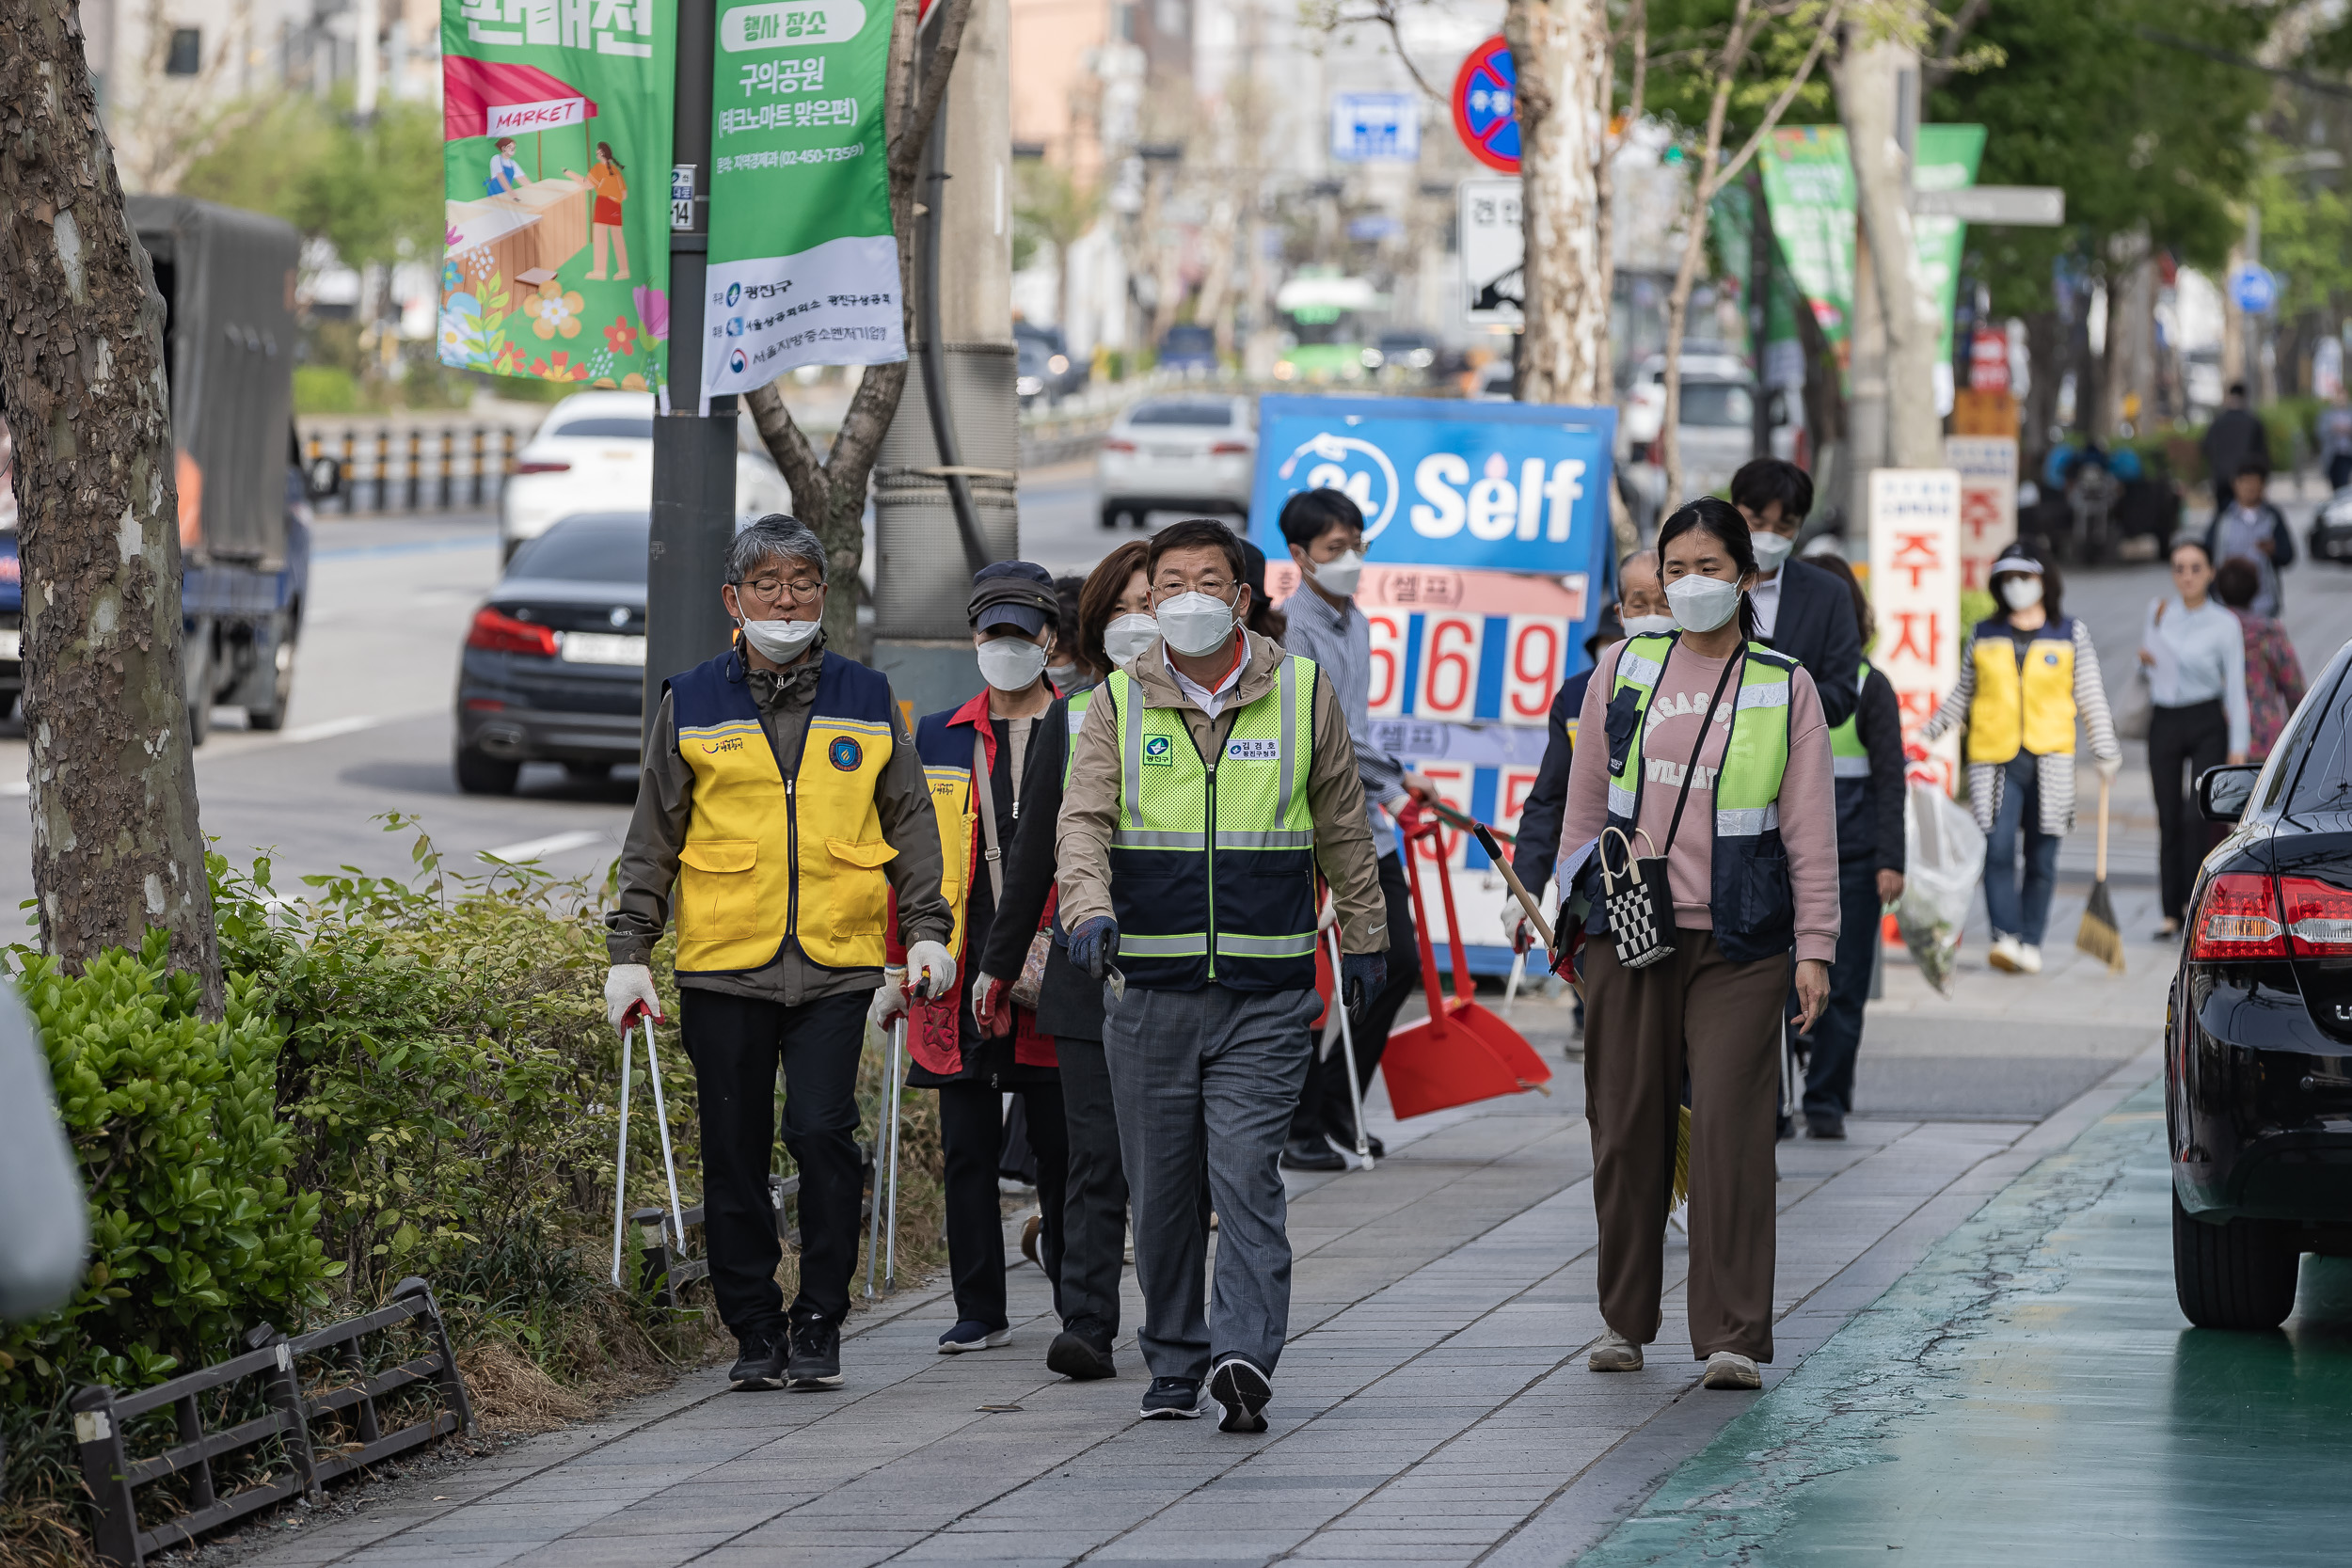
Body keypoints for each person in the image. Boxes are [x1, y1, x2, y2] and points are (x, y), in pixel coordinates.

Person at [604, 515, 954, 1393]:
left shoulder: (868, 695)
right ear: (735, 599)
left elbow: (911, 822)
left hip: (836, 963)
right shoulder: (691, 697)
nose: (786, 599)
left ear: (822, 594)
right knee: (733, 1149)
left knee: (820, 1134)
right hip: (726, 961)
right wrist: (629, 948)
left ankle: (821, 1318)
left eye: (802, 582)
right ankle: (754, 1327)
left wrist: (925, 931)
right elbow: (655, 831)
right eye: (767, 584)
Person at [1057, 517, 1388, 1433]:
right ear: (1151, 598)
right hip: (1148, 987)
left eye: (1211, 579)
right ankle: (1173, 1355)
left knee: (1246, 1173)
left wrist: (1364, 937)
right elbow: (1080, 820)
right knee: (1161, 1187)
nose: (1190, 596)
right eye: (1172, 583)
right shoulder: (1116, 703)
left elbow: (1342, 824)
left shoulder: (1302, 690)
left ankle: (1244, 1350)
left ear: (1243, 598)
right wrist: (1086, 907)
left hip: (1268, 987)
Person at [1559, 497, 1837, 1392]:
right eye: (1674, 569)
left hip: (1742, 937)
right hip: (1630, 934)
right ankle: (1623, 1320)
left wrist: (1815, 945)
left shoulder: (1783, 683)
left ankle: (1731, 1333)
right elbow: (1586, 803)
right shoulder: (1624, 668)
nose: (1689, 585)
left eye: (1709, 569)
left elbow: (1810, 828)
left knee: (1730, 1129)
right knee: (1627, 1124)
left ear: (1747, 577)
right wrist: (1573, 902)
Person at [971, 542, 1154, 1384]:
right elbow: (1037, 850)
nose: (1138, 624)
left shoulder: (1236, 716)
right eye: (1120, 609)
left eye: (1152, 604)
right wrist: (996, 966)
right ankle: (1087, 1319)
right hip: (1088, 966)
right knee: (1092, 1154)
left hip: (1187, 965)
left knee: (1174, 1159)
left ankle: (1182, 1315)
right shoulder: (1072, 717)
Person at [887, 562, 1070, 1356]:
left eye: (1021, 633)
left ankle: (1079, 1290)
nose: (1005, 646)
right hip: (959, 967)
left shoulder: (1088, 724)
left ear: (1050, 640)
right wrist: (900, 965)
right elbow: (909, 855)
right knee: (964, 1142)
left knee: (1065, 1145)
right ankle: (979, 1306)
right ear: (973, 636)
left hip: (1053, 964)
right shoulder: (937, 733)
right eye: (992, 632)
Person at [1267, 489, 1435, 1172]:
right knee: (1308, 975)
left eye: (1356, 544)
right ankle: (1301, 1121)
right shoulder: (1291, 631)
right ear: (1300, 556)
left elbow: (1355, 732)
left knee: (1397, 962)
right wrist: (1400, 775)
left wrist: (1393, 787)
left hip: (1364, 817)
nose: (1350, 559)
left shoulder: (1356, 621)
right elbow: (1323, 730)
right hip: (1310, 823)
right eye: (1335, 549)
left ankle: (1339, 1097)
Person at [1917, 546, 2120, 974]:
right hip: (1994, 760)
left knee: (2044, 857)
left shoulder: (2071, 633)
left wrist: (2105, 749)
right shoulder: (1984, 632)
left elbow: (2091, 695)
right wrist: (1926, 734)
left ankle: (2031, 941)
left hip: (2052, 759)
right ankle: (2005, 937)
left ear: (2045, 580)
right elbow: (1962, 694)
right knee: (1997, 848)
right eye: (2008, 578)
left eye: (2024, 577)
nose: (2017, 586)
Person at [1793, 555, 1906, 1139]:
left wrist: (1892, 859)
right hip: (1781, 860)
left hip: (1855, 862)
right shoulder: (1773, 682)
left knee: (1846, 982)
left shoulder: (1869, 687)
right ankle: (1770, 1101)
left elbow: (1892, 777)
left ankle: (1825, 1101)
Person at [1508, 550, 1667, 952]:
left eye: (1663, 603)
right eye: (1640, 604)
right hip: (1601, 886)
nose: (1653, 616)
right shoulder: (1579, 695)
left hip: (1684, 892)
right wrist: (1523, 891)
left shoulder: (1713, 685)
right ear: (1621, 612)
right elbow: (1549, 801)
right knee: (1601, 1006)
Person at [2140, 538, 2249, 939]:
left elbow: (2236, 688)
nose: (2187, 576)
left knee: (2197, 815)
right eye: (2179, 568)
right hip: (2165, 719)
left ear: (2210, 573)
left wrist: (2239, 745)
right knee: (2167, 816)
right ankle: (2170, 910)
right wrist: (2145, 664)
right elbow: (2149, 674)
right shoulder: (2159, 612)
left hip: (2206, 717)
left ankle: (2194, 902)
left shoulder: (2224, 623)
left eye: (2195, 568)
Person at [1729, 458, 1864, 728]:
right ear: (1732, 511)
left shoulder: (1828, 595)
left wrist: (1773, 695)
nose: (1768, 535)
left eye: (1783, 527)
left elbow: (1841, 696)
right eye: (1757, 521)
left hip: (1787, 756)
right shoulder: (1702, 581)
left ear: (1800, 526)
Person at [2213, 556, 2307, 762]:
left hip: (2218, 734)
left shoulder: (2212, 630)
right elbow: (2294, 687)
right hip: (2265, 734)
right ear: (2255, 589)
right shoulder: (2268, 631)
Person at [2204, 459, 2295, 619]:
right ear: (2235, 484)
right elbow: (2207, 554)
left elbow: (2288, 555)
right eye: (2245, 483)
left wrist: (2274, 551)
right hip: (2225, 605)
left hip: (2264, 605)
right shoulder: (2223, 518)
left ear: (2263, 486)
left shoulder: (2272, 517)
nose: (2250, 488)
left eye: (2255, 483)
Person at [2201, 383, 2271, 515]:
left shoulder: (2218, 422)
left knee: (2223, 518)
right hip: (2246, 480)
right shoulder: (2253, 422)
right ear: (2244, 397)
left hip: (2221, 479)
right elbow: (2262, 455)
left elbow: (2205, 447)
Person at [567, 142, 630, 280]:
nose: (595, 151)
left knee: (600, 237)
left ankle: (600, 271)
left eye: (597, 150)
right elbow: (624, 194)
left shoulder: (598, 168)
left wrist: (569, 173)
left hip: (603, 204)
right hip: (616, 205)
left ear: (601, 152)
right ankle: (624, 270)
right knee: (618, 238)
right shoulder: (615, 170)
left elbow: (587, 185)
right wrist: (615, 197)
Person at [2322, 388, 2352, 494]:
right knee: (2334, 481)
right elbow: (2320, 431)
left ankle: (2341, 503)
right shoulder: (2327, 413)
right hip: (2332, 453)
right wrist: (2333, 428)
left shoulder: (2350, 412)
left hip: (2346, 454)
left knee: (2343, 482)